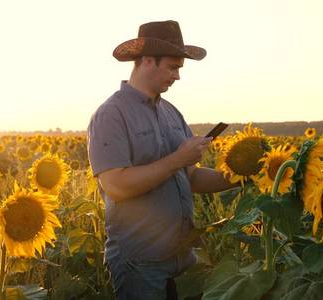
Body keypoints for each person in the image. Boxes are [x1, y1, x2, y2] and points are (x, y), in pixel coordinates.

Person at [87, 20, 237, 300]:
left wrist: (242, 175)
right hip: (140, 262)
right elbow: (116, 185)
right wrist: (177, 159)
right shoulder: (111, 114)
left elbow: (191, 177)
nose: (177, 76)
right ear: (146, 61)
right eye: (173, 67)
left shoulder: (171, 113)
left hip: (184, 256)